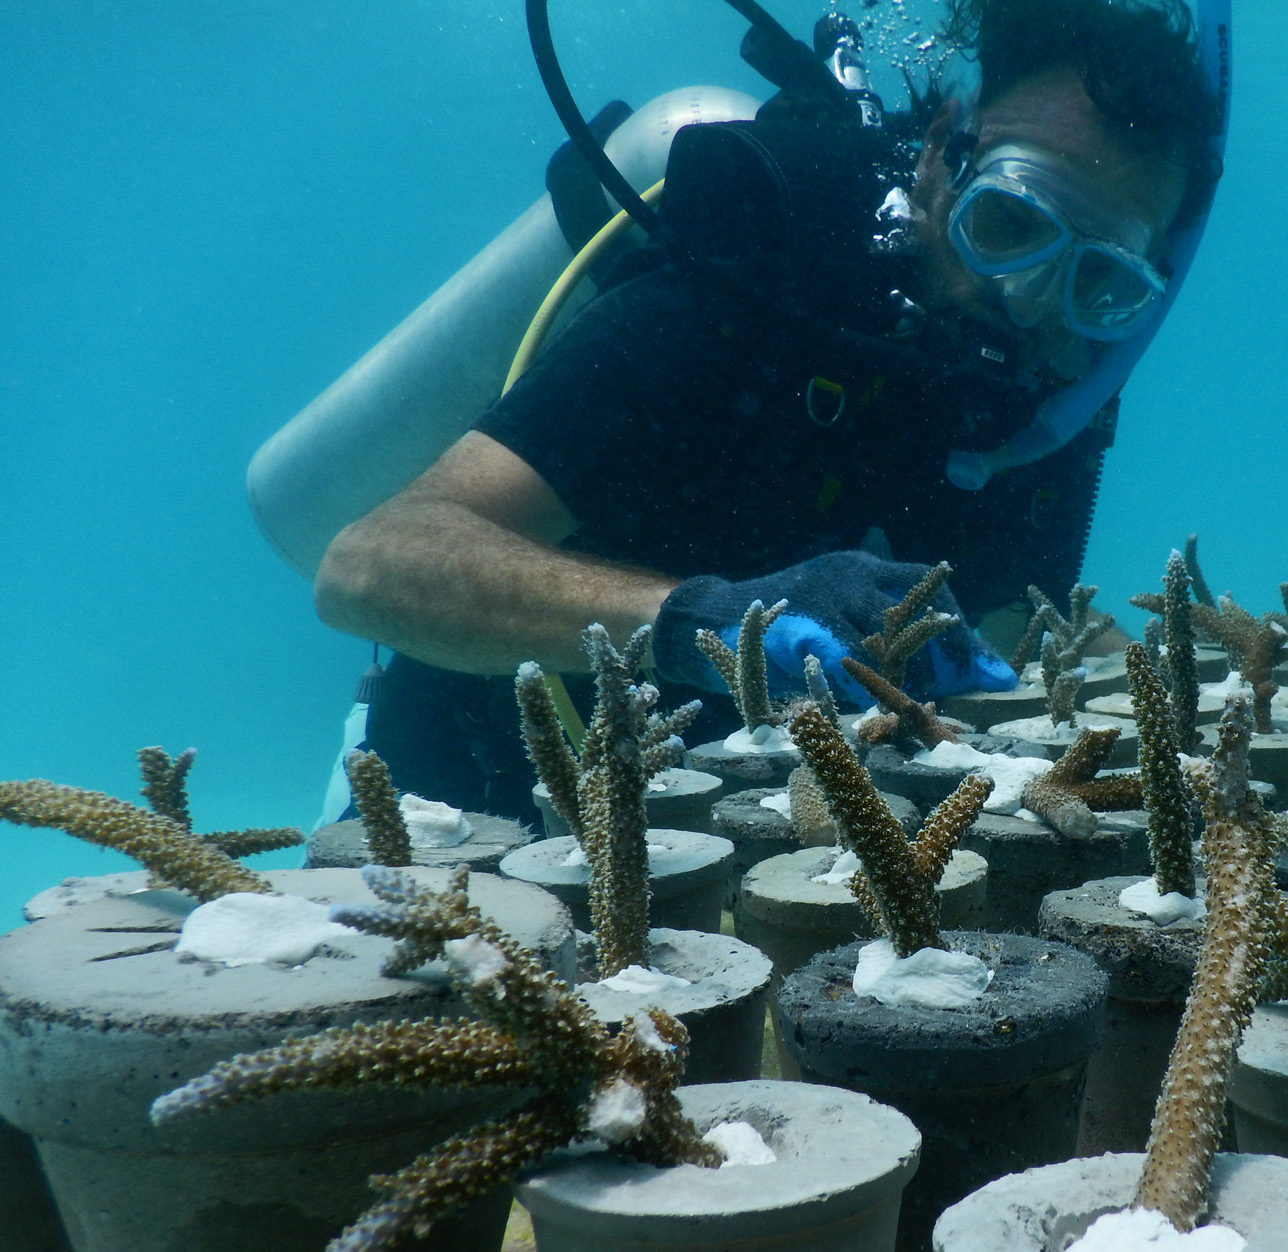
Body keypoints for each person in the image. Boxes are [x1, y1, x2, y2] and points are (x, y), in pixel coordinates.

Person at [313, 0, 1222, 823]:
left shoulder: (1054, 394)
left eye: (1096, 282)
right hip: (472, 806)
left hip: (767, 851)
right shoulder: (747, 283)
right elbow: (370, 562)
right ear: (947, 152)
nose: (1027, 301)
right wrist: (699, 619)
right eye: (1012, 225)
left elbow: (1012, 622)